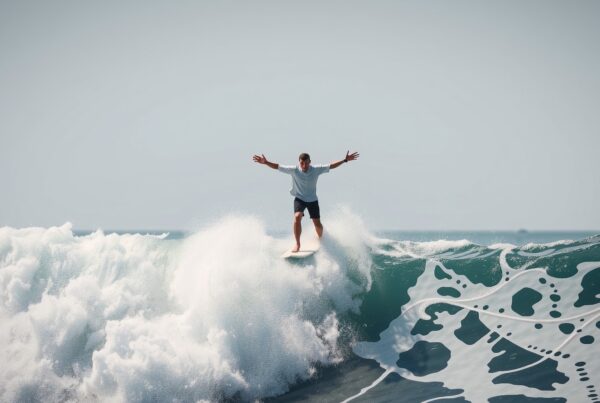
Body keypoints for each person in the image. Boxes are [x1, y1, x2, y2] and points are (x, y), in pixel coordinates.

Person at [253, 151, 359, 252]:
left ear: (310, 162)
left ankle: (321, 240)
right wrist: (266, 162)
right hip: (300, 198)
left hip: (312, 199)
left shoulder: (316, 169)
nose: (304, 165)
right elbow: (278, 167)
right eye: (302, 163)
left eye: (306, 163)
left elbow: (331, 166)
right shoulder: (294, 170)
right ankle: (297, 244)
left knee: (317, 224)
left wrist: (345, 160)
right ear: (299, 162)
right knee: (297, 216)